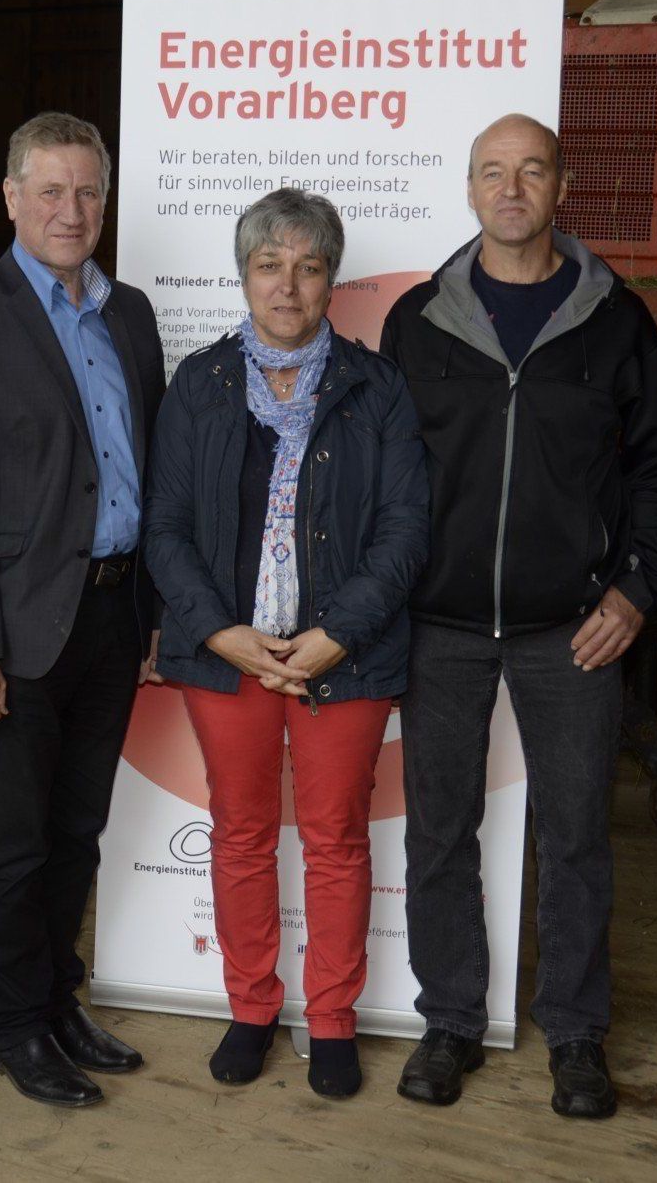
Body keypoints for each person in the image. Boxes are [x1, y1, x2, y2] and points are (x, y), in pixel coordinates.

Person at [379, 113, 657, 1119]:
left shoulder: (616, 321)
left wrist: (636, 589)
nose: (510, 189)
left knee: (575, 838)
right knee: (437, 832)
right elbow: (387, 481)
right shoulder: (418, 319)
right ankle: (449, 1025)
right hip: (439, 626)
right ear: (467, 190)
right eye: (490, 172)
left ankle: (574, 1037)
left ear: (561, 186)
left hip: (574, 629)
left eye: (530, 170)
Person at [145, 188, 427, 1098]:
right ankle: (252, 1008)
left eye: (308, 267)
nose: (288, 285)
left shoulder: (377, 387)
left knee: (338, 837)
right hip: (226, 659)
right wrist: (220, 632)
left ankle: (334, 1019)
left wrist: (335, 636)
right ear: (244, 276)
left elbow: (405, 528)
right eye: (270, 265)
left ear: (331, 280)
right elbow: (166, 527)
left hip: (343, 661)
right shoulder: (200, 383)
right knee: (241, 832)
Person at [0, 111, 165, 1108]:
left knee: (76, 831)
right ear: (11, 198)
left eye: (87, 193)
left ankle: (58, 999)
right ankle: (14, 1025)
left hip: (112, 619)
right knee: (14, 841)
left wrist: (151, 616)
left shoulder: (132, 314)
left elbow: (146, 476)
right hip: (14, 633)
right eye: (50, 191)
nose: (71, 211)